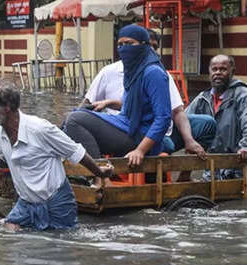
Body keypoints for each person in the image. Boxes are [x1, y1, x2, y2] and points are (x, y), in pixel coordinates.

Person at [0, 79, 114, 231]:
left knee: (58, 253)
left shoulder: (40, 129)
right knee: (13, 240)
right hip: (26, 202)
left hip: (55, 203)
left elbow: (76, 152)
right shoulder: (0, 132)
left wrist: (100, 173)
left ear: (7, 107)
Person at [64, 24, 172, 188]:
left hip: (139, 135)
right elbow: (135, 106)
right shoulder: (134, 70)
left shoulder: (153, 73)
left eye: (129, 43)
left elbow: (163, 118)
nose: (124, 48)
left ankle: (102, 178)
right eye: (120, 45)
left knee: (75, 120)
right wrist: (109, 103)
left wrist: (140, 150)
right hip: (126, 125)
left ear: (144, 45)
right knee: (74, 117)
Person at [185, 54, 247, 184]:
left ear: (232, 72)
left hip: (238, 161)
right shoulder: (203, 98)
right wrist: (188, 141)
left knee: (235, 201)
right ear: (209, 71)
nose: (218, 73)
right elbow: (184, 119)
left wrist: (246, 146)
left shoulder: (243, 95)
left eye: (223, 69)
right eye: (214, 69)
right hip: (212, 163)